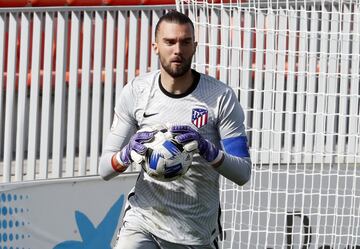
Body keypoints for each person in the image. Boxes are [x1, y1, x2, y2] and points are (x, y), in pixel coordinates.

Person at [99, 10, 251, 249]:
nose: (177, 50)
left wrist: (208, 150)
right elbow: (105, 168)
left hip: (195, 231)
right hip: (143, 221)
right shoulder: (136, 92)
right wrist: (127, 153)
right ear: (155, 46)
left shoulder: (220, 97)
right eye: (169, 42)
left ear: (194, 46)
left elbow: (243, 173)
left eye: (185, 42)